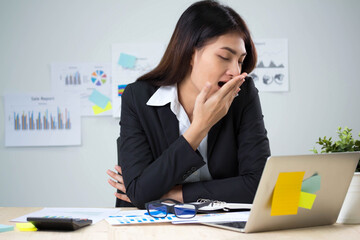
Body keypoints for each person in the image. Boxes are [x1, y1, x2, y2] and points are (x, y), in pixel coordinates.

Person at [107, 0, 270, 209]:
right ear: (190, 53)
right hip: (150, 227)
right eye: (224, 57)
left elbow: (259, 185)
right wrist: (199, 128)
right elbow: (139, 192)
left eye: (240, 61)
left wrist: (174, 194)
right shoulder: (137, 98)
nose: (235, 72)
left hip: (221, 226)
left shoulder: (243, 93)